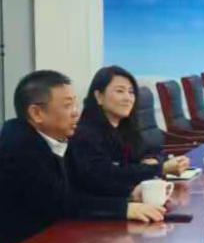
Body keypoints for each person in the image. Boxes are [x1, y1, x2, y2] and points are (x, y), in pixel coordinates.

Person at [0, 70, 167, 243]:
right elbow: (61, 203)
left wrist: (129, 194)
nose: (76, 113)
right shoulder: (20, 146)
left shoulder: (56, 137)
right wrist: (124, 208)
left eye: (75, 104)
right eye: (67, 106)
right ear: (37, 113)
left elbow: (84, 183)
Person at [69, 65, 192, 200]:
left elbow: (152, 150)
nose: (128, 98)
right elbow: (108, 175)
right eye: (120, 91)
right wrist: (160, 168)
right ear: (99, 97)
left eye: (131, 92)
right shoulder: (85, 134)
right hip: (107, 206)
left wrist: (154, 160)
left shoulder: (125, 127)